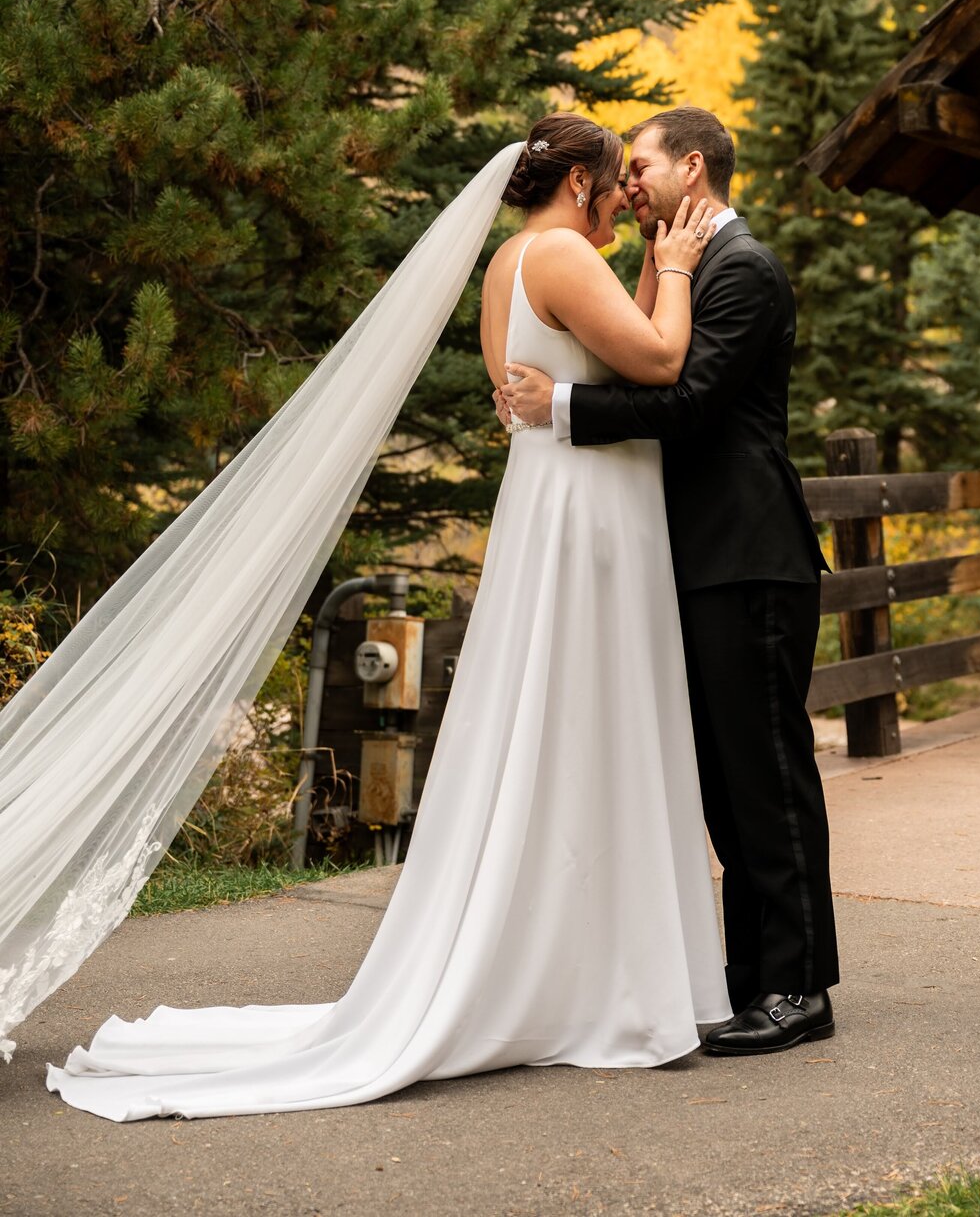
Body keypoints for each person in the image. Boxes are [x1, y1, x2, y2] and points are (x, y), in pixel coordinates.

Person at [42, 113, 732, 1121]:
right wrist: (673, 265)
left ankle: (581, 962)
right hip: (589, 514)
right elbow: (664, 364)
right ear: (579, 183)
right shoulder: (562, 257)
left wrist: (635, 283)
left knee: (566, 723)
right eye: (616, 181)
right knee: (592, 720)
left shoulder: (512, 262)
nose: (630, 197)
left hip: (555, 500)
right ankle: (597, 976)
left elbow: (586, 373)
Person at [502, 106, 839, 1057]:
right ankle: (748, 978)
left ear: (694, 169)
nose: (631, 181)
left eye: (643, 165)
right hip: (696, 561)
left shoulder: (744, 270)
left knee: (767, 778)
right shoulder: (680, 272)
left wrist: (558, 404)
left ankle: (800, 988)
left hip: (749, 557)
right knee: (724, 788)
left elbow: (685, 401)